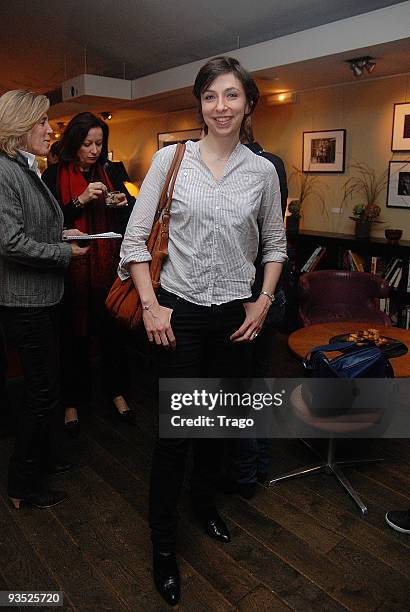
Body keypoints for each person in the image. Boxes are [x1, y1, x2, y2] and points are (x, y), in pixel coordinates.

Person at [119, 56, 287, 605]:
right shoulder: (172, 160)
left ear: (248, 104)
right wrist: (150, 304)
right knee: (177, 435)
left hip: (237, 319)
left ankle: (205, 505)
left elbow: (275, 246)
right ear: (200, 104)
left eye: (232, 96)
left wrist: (262, 302)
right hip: (179, 317)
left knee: (219, 425)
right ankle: (163, 547)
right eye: (212, 96)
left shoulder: (262, 171)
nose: (221, 107)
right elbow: (134, 241)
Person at [0, 90, 89, 509]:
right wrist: (63, 252)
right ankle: (22, 484)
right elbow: (10, 242)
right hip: (23, 301)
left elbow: (34, 225)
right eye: (42, 122)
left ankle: (43, 460)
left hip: (40, 297)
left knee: (46, 386)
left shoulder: (26, 167)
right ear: (17, 127)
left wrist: (61, 234)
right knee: (40, 391)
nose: (50, 129)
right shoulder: (4, 171)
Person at [42, 112, 136, 433]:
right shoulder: (54, 175)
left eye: (99, 143)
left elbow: (131, 212)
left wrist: (123, 201)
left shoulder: (110, 170)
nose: (94, 150)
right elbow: (49, 222)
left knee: (113, 334)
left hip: (107, 267)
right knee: (73, 336)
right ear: (74, 143)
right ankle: (72, 400)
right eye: (87, 144)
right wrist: (80, 200)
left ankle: (117, 392)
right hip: (71, 269)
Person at [223, 128, 289, 499]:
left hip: (252, 294)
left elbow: (260, 239)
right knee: (258, 382)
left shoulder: (259, 168)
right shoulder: (276, 164)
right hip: (272, 292)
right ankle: (259, 463)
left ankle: (244, 473)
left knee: (241, 386)